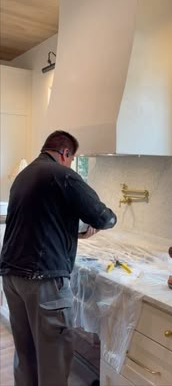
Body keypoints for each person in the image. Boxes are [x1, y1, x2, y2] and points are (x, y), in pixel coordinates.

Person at [0, 130, 117, 386]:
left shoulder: (25, 174)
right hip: (43, 279)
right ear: (65, 153)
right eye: (72, 159)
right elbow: (102, 217)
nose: (71, 164)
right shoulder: (62, 175)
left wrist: (73, 231)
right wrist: (110, 219)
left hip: (11, 276)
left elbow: (40, 220)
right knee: (53, 357)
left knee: (26, 352)